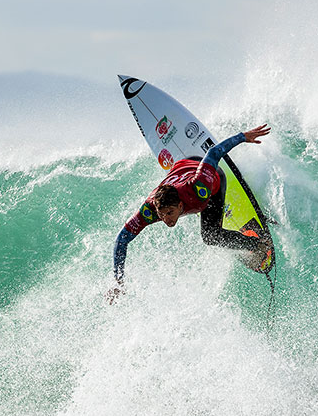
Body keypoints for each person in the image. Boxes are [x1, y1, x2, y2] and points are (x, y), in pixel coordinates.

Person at [107, 124, 271, 303]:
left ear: (179, 205)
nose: (166, 219)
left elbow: (214, 153)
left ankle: (258, 244)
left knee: (211, 236)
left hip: (213, 181)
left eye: (169, 213)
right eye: (162, 215)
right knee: (205, 234)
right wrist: (118, 279)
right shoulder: (150, 210)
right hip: (182, 166)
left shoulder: (197, 187)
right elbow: (122, 239)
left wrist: (243, 136)